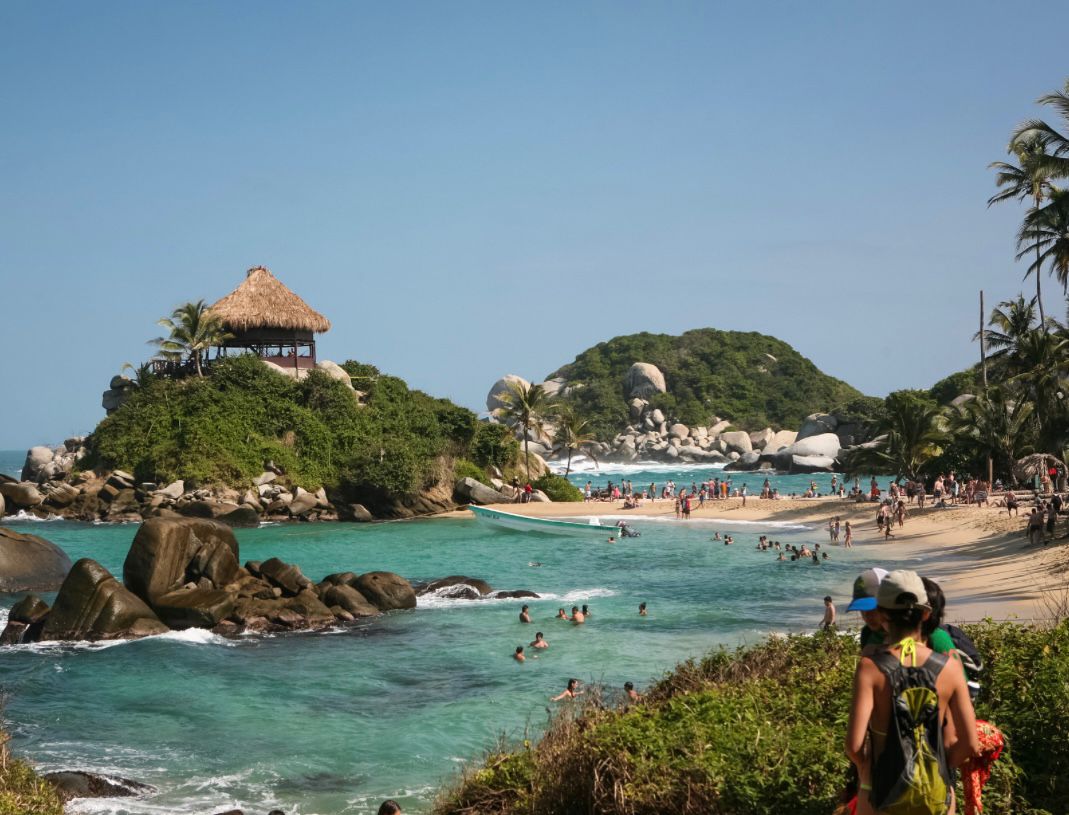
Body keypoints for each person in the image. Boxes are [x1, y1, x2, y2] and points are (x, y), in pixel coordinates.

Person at [845, 570, 979, 814]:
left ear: (883, 614)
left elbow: (854, 746)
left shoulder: (869, 668)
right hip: (936, 794)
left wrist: (867, 769)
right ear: (926, 613)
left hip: (880, 793)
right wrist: (940, 765)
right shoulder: (949, 668)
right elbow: (970, 743)